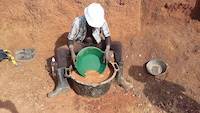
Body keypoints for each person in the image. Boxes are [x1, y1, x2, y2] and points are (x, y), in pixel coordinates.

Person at [48, 3, 133, 97]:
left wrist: (107, 49)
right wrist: (72, 52)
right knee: (60, 51)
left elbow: (107, 36)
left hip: (97, 44)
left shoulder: (102, 21)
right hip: (81, 45)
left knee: (117, 45)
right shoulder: (78, 21)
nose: (94, 26)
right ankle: (62, 84)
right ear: (87, 18)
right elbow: (70, 39)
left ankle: (119, 78)